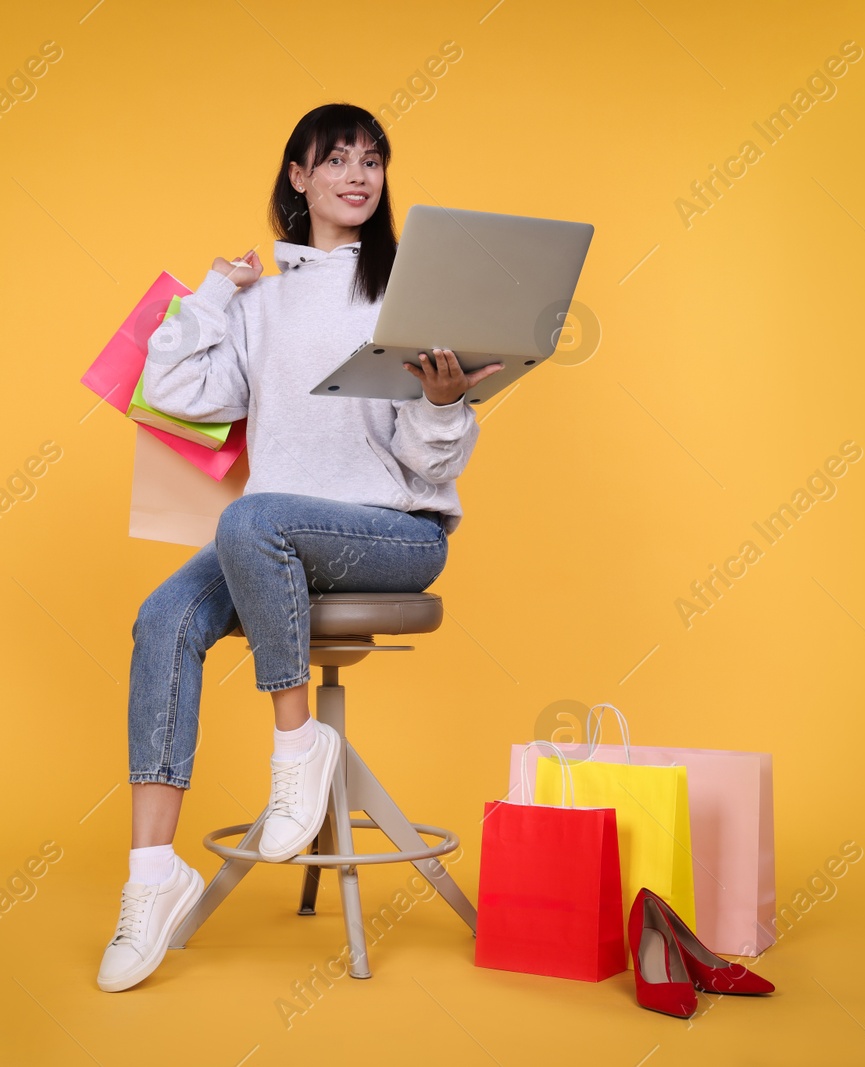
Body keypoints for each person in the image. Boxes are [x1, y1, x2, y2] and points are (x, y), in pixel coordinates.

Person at [97, 102, 502, 992]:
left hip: (393, 533)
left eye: (374, 160)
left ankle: (297, 749)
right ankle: (152, 878)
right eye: (339, 159)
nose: (359, 175)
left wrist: (442, 404)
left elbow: (426, 461)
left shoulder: (404, 294)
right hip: (277, 539)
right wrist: (213, 290)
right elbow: (172, 389)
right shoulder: (260, 302)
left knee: (249, 518)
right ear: (299, 176)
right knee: (162, 616)